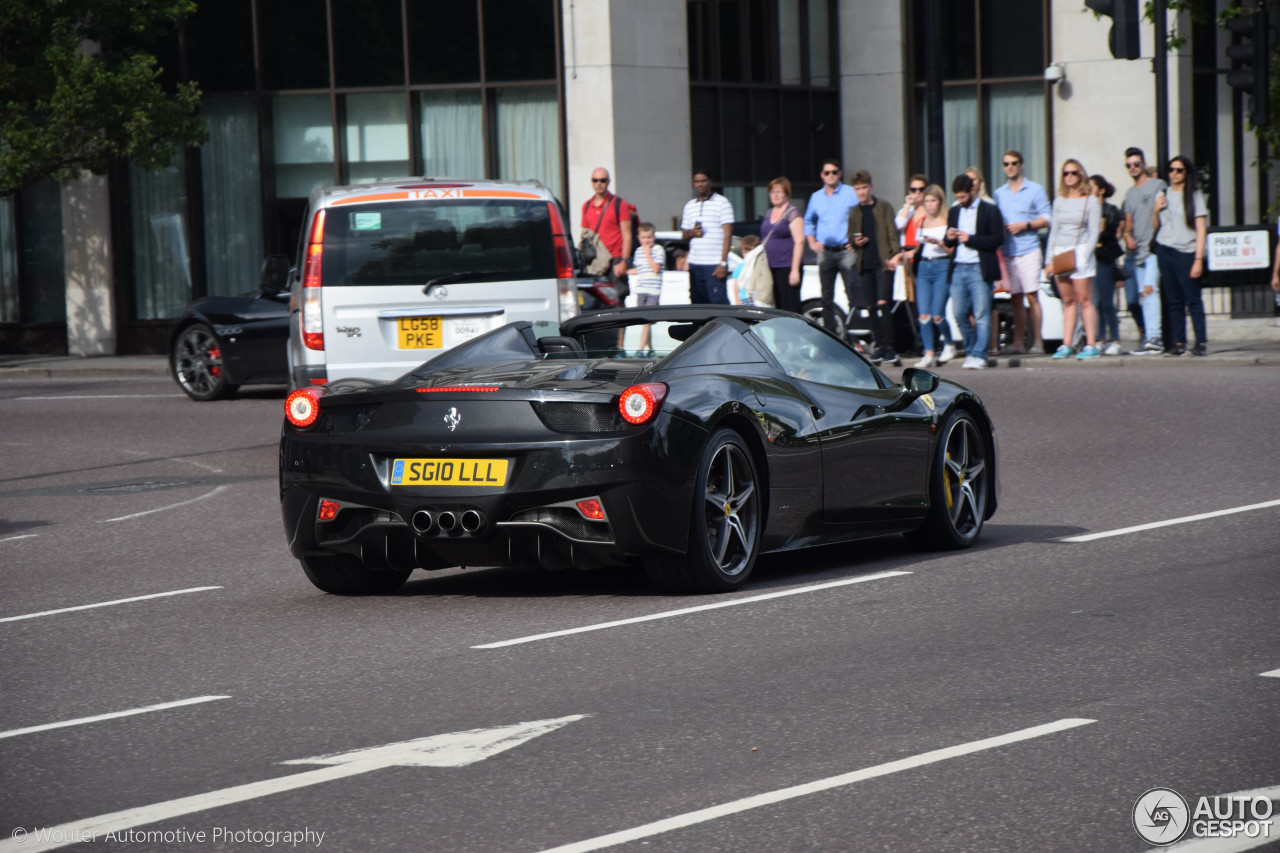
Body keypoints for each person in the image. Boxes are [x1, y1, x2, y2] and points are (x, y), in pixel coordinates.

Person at [993, 150, 1052, 353]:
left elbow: (1047, 217)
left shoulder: (1035, 190)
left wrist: (1025, 225)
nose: (1010, 167)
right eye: (1006, 163)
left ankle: (1037, 342)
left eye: (1014, 163)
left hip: (1028, 248)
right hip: (1008, 250)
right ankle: (1018, 342)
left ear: (1021, 165)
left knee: (1032, 295)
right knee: (1015, 298)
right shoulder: (999, 193)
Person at [945, 173, 1005, 369]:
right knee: (959, 312)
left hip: (979, 268)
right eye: (957, 197)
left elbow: (997, 239)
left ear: (972, 190)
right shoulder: (954, 211)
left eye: (962, 196)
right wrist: (949, 237)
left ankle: (980, 354)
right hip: (958, 267)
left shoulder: (990, 210)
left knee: (981, 313)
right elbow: (948, 242)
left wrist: (970, 239)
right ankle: (971, 350)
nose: (959, 201)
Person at [1045, 159, 1102, 360]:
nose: (1070, 176)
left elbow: (1095, 231)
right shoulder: (1059, 201)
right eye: (1066, 173)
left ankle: (1091, 344)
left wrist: (1084, 255)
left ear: (1081, 175)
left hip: (1081, 252)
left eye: (1074, 173)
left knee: (1084, 299)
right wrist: (1049, 259)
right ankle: (1066, 344)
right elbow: (1054, 231)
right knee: (1068, 300)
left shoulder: (1091, 200)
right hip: (1061, 252)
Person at [1152, 155, 1209, 356]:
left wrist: (1198, 260)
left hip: (1186, 252)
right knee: (1173, 300)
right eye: (1171, 170)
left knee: (1192, 299)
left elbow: (1201, 229)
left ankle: (1200, 342)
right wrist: (1156, 210)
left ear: (1186, 173)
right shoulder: (1163, 193)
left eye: (1179, 170)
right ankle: (1178, 342)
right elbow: (1156, 226)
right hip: (1165, 249)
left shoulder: (1194, 195)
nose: (1174, 174)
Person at [849, 171, 904, 365]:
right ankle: (879, 345)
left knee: (883, 304)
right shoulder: (854, 212)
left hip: (883, 262)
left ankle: (889, 347)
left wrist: (895, 254)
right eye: (858, 189)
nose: (861, 192)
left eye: (864, 187)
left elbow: (891, 231)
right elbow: (850, 238)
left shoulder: (883, 206)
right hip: (865, 263)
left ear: (870, 187)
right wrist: (856, 241)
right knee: (871, 306)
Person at [803, 159, 863, 332]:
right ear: (822, 175)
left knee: (853, 295)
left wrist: (856, 240)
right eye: (827, 172)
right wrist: (811, 241)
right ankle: (831, 334)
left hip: (846, 251)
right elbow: (808, 221)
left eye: (834, 172)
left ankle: (855, 335)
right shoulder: (816, 197)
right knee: (827, 298)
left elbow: (861, 216)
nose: (831, 175)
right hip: (826, 252)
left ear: (840, 174)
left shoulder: (850, 193)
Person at [1121, 147, 1165, 354]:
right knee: (1141, 296)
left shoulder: (1157, 185)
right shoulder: (1130, 194)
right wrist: (1127, 236)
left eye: (1136, 164)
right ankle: (1149, 336)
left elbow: (1164, 217)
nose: (1132, 168)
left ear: (1144, 164)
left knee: (1150, 291)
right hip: (1136, 252)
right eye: (1129, 165)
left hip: (1154, 248)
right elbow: (1128, 224)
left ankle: (1155, 337)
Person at [911, 185, 954, 367]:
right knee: (924, 315)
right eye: (927, 201)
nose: (929, 205)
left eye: (933, 201)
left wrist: (939, 242)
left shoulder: (947, 220)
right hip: (924, 266)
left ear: (940, 202)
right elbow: (918, 248)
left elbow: (951, 250)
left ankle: (950, 344)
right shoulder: (921, 222)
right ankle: (928, 352)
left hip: (942, 265)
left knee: (937, 314)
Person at [679, 169, 735, 304]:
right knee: (698, 305)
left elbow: (727, 234)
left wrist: (723, 263)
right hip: (695, 265)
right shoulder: (689, 206)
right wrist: (692, 233)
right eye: (697, 181)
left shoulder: (722, 203)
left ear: (710, 182)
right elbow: (684, 236)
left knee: (718, 304)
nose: (700, 184)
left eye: (703, 181)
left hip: (714, 265)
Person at [1090, 175, 1125, 355]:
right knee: (1095, 302)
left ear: (1101, 190)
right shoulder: (1086, 209)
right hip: (1090, 258)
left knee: (1107, 301)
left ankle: (1115, 339)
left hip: (1105, 258)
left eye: (1091, 186)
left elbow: (1112, 232)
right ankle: (1100, 338)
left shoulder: (1110, 210)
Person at [581, 167, 633, 287]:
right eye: (595, 180)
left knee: (619, 298)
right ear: (592, 182)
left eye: (602, 180)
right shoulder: (586, 206)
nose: (599, 184)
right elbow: (585, 235)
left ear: (608, 182)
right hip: (596, 262)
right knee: (597, 300)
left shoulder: (619, 204)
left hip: (615, 259)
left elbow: (627, 235)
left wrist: (624, 261)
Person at [760, 177, 805, 313]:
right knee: (775, 308)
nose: (775, 195)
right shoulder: (769, 213)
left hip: (786, 266)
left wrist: (795, 270)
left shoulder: (792, 213)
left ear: (787, 193)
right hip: (769, 267)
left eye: (779, 192)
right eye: (772, 192)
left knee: (789, 307)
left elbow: (800, 241)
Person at [627, 222, 666, 356]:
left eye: (649, 237)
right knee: (644, 320)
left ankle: (640, 348)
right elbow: (641, 269)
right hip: (641, 289)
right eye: (643, 237)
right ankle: (650, 348)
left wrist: (648, 254)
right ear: (639, 237)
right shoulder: (638, 251)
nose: (646, 240)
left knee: (647, 321)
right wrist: (626, 272)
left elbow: (655, 268)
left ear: (654, 237)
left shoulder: (658, 250)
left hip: (653, 290)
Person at [730, 234, 760, 304]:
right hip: (744, 299)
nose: (746, 255)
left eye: (749, 252)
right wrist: (737, 300)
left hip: (757, 299)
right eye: (744, 252)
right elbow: (736, 285)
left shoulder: (759, 266)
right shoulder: (741, 266)